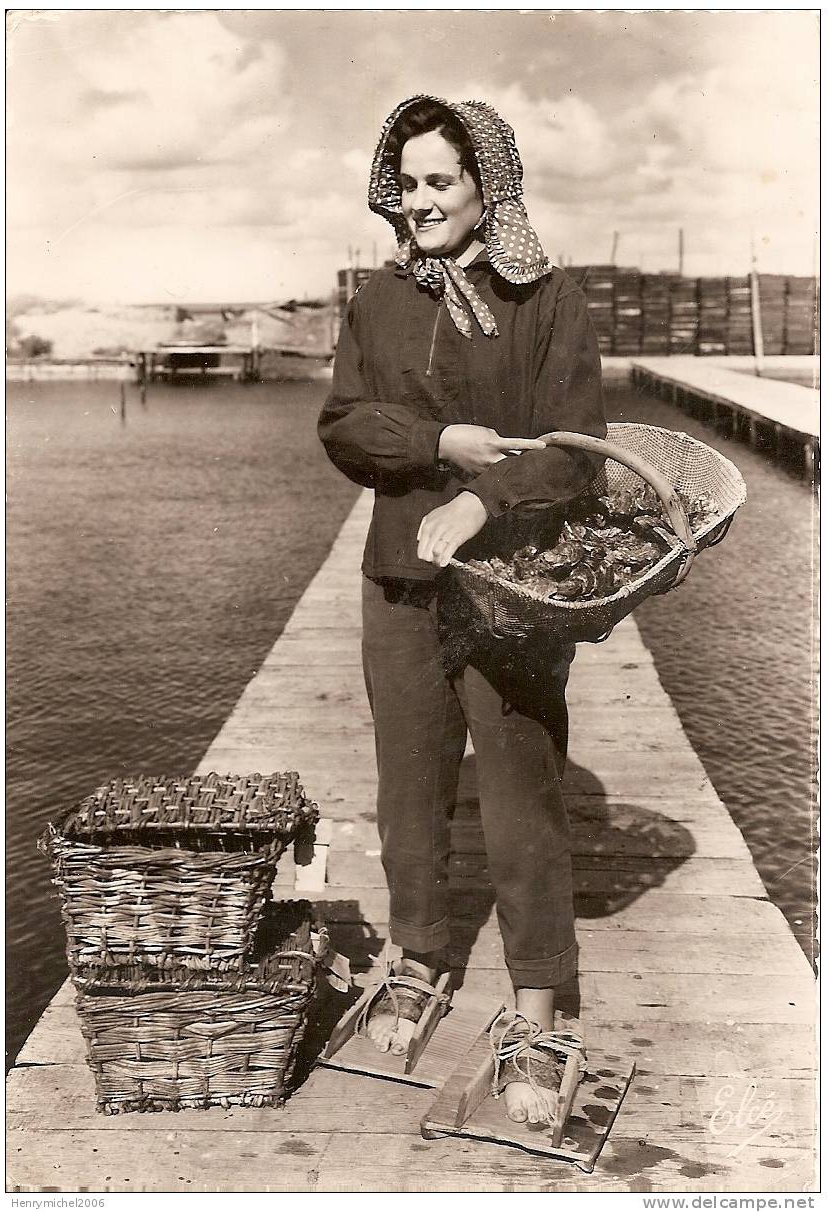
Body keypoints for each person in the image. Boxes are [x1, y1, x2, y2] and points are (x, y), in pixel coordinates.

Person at [318, 94, 606, 1126]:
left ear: (491, 186)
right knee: (408, 785)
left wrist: (489, 493)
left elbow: (578, 450)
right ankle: (419, 955)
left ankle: (539, 1002)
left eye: (444, 181)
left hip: (513, 584)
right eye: (410, 182)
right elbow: (346, 424)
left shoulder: (548, 297)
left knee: (523, 791)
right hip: (400, 575)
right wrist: (438, 450)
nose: (424, 199)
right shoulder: (379, 299)